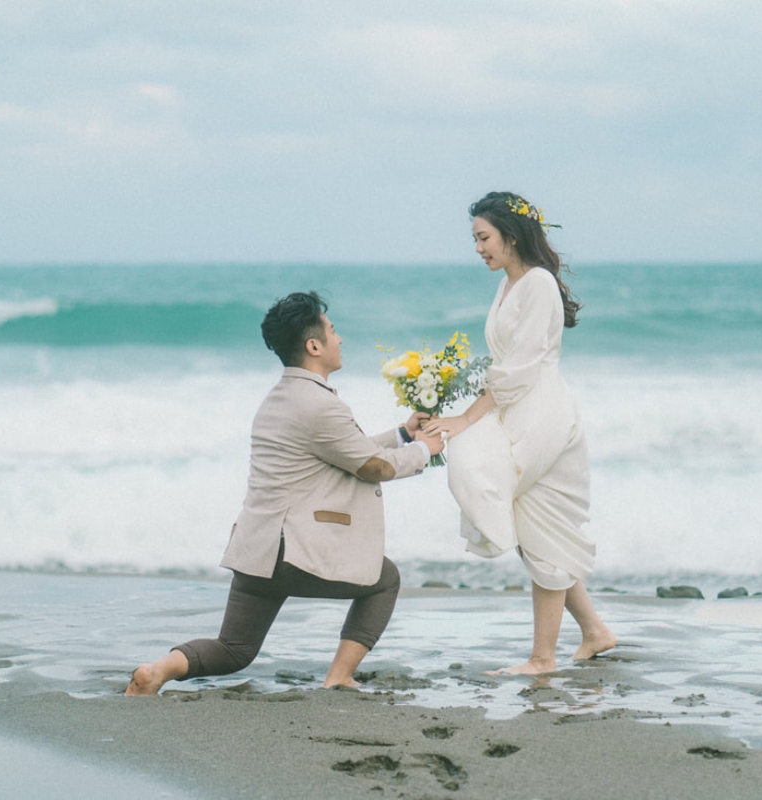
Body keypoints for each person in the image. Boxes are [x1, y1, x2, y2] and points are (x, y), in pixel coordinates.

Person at [126, 291, 444, 695]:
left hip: (255, 548)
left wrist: (402, 434)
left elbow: (345, 448)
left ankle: (157, 671)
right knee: (385, 580)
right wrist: (423, 451)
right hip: (292, 552)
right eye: (332, 330)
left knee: (234, 649)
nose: (340, 338)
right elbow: (369, 465)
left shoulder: (278, 398)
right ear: (314, 346)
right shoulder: (321, 405)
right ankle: (340, 677)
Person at [422, 191, 615, 675]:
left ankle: (542, 658)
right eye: (475, 239)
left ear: (511, 235)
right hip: (517, 408)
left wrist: (467, 419)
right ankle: (594, 632)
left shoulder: (538, 285)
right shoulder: (510, 284)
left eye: (483, 238)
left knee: (541, 526)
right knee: (539, 524)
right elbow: (502, 365)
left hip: (539, 411)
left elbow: (519, 368)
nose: (478, 248)